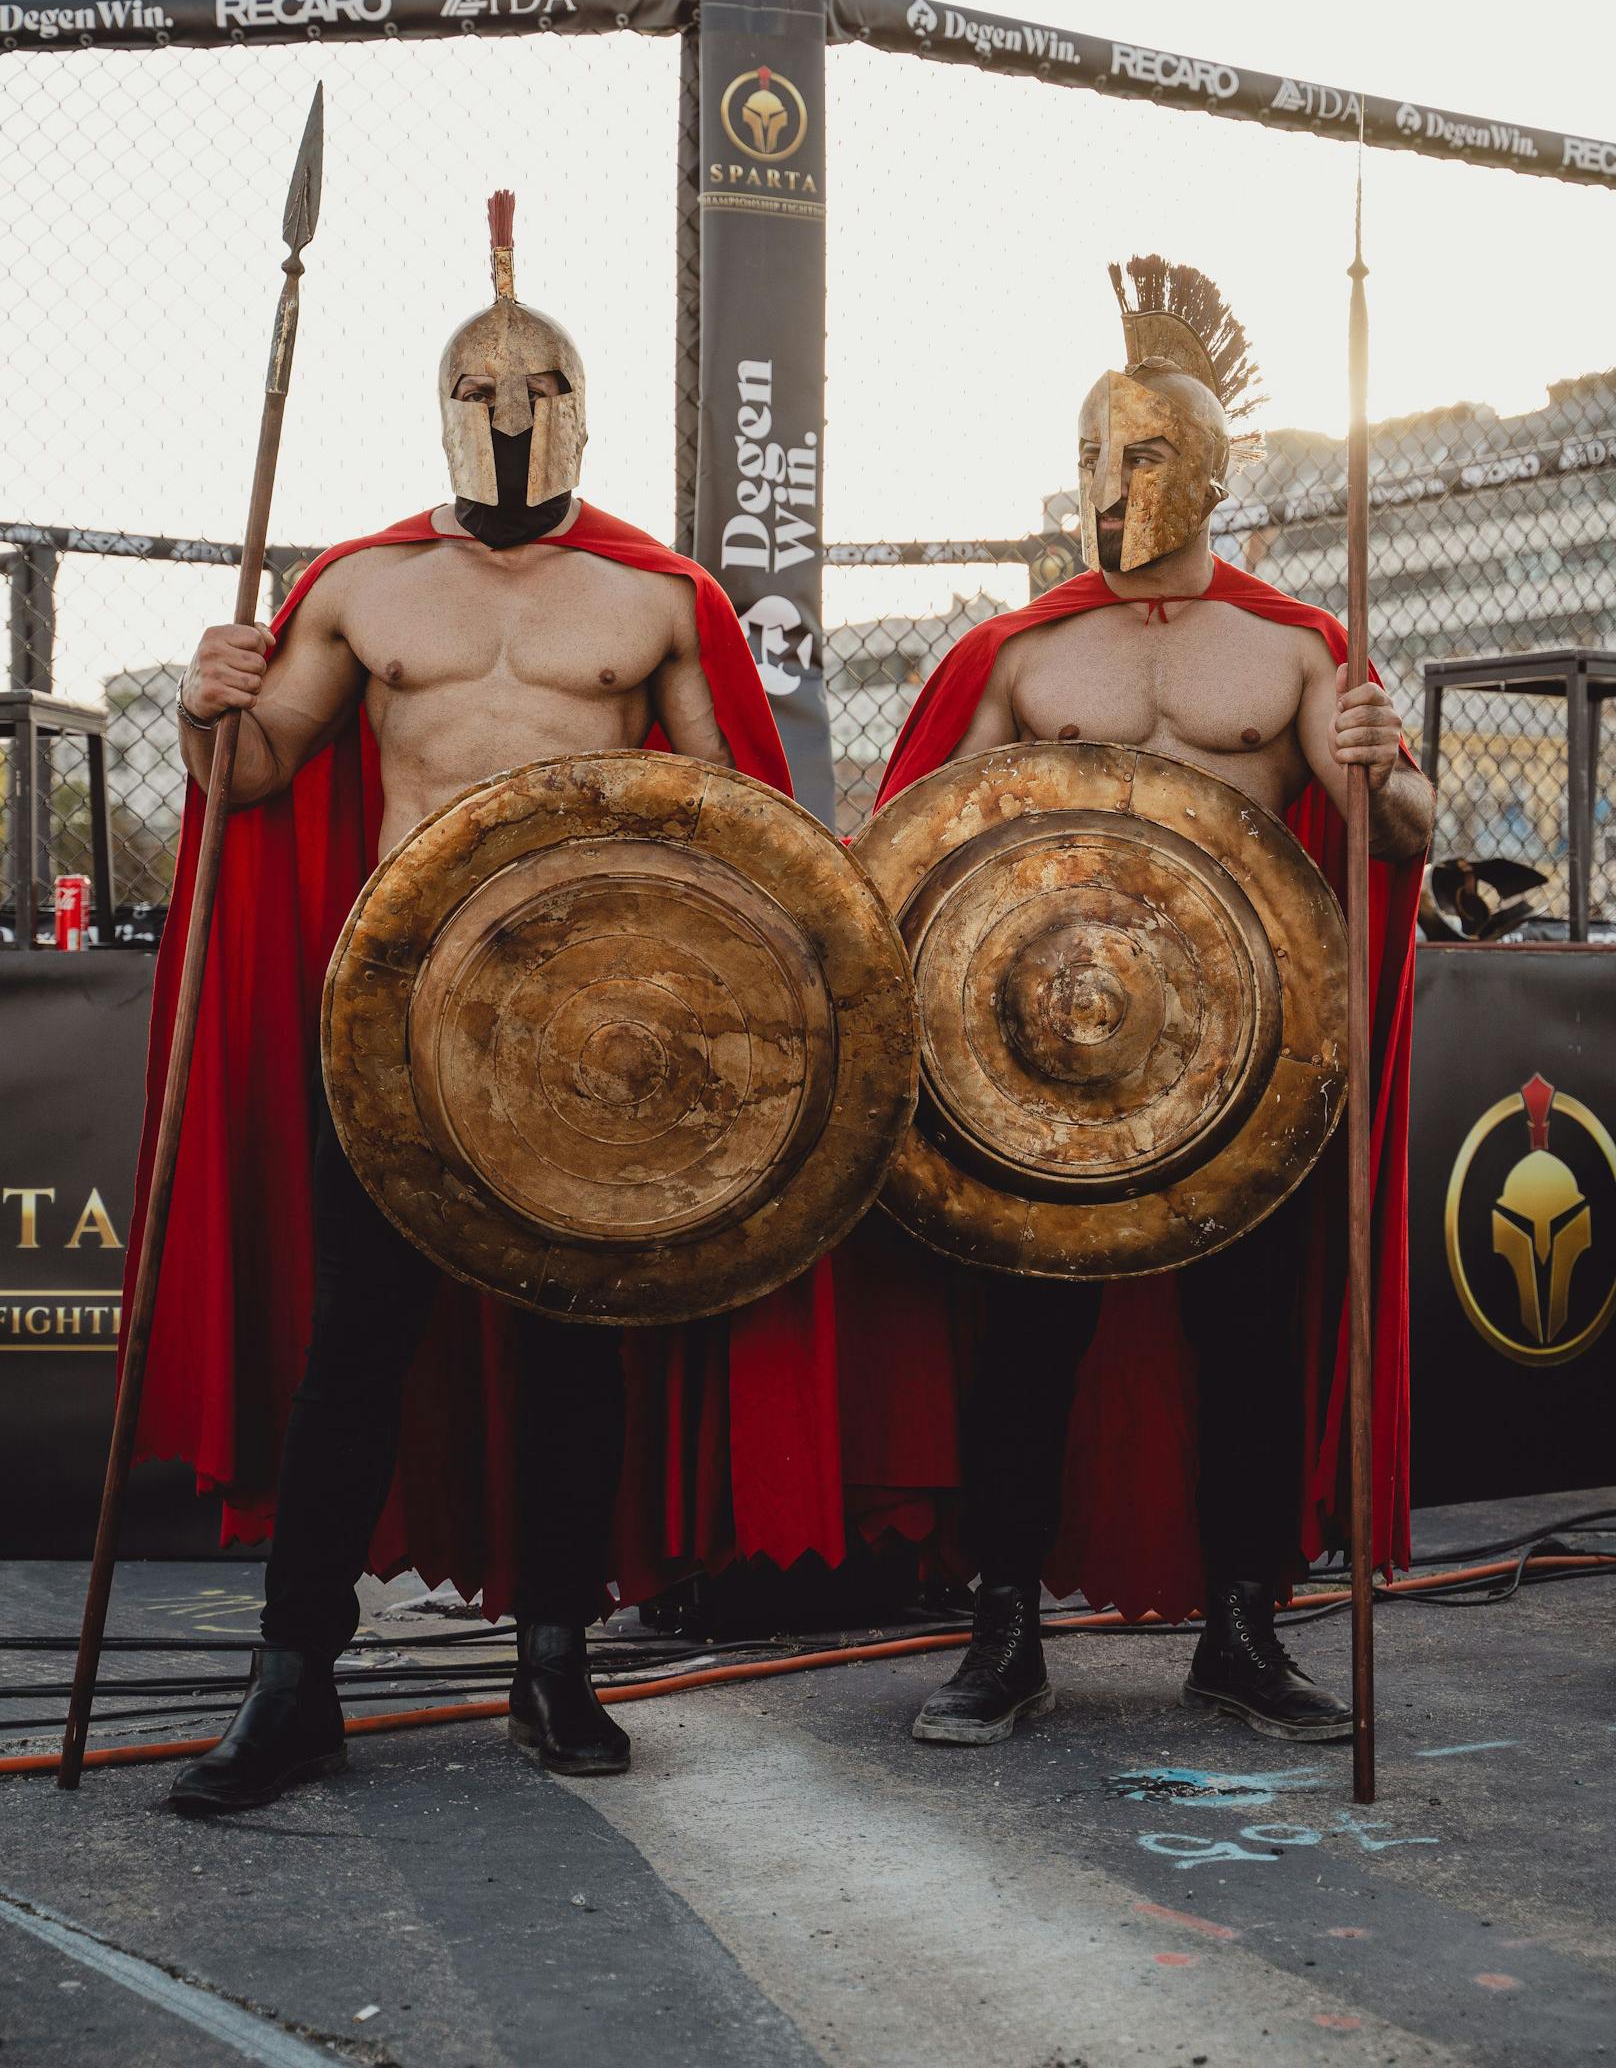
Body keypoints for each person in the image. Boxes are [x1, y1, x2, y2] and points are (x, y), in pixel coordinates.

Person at [137, 194, 842, 1813]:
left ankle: (553, 1667)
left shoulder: (659, 600)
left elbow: (729, 826)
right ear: (443, 407)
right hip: (392, 1020)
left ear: (580, 408)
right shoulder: (362, 587)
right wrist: (202, 705)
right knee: (357, 1352)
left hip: (586, 1037)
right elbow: (251, 783)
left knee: (568, 1352)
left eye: (535, 394)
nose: (509, 418)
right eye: (480, 393)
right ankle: (293, 1678)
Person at [839, 258, 1431, 1747]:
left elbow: (1402, 839)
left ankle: (1241, 1633)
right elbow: (911, 849)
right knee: (1027, 1350)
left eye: (1145, 453)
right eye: (1095, 456)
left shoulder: (1297, 652)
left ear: (1212, 471)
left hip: (1246, 1064)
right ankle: (1005, 1635)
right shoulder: (1021, 654)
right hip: (1036, 1066)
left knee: (1246, 1350)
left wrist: (1384, 767)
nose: (1112, 484)